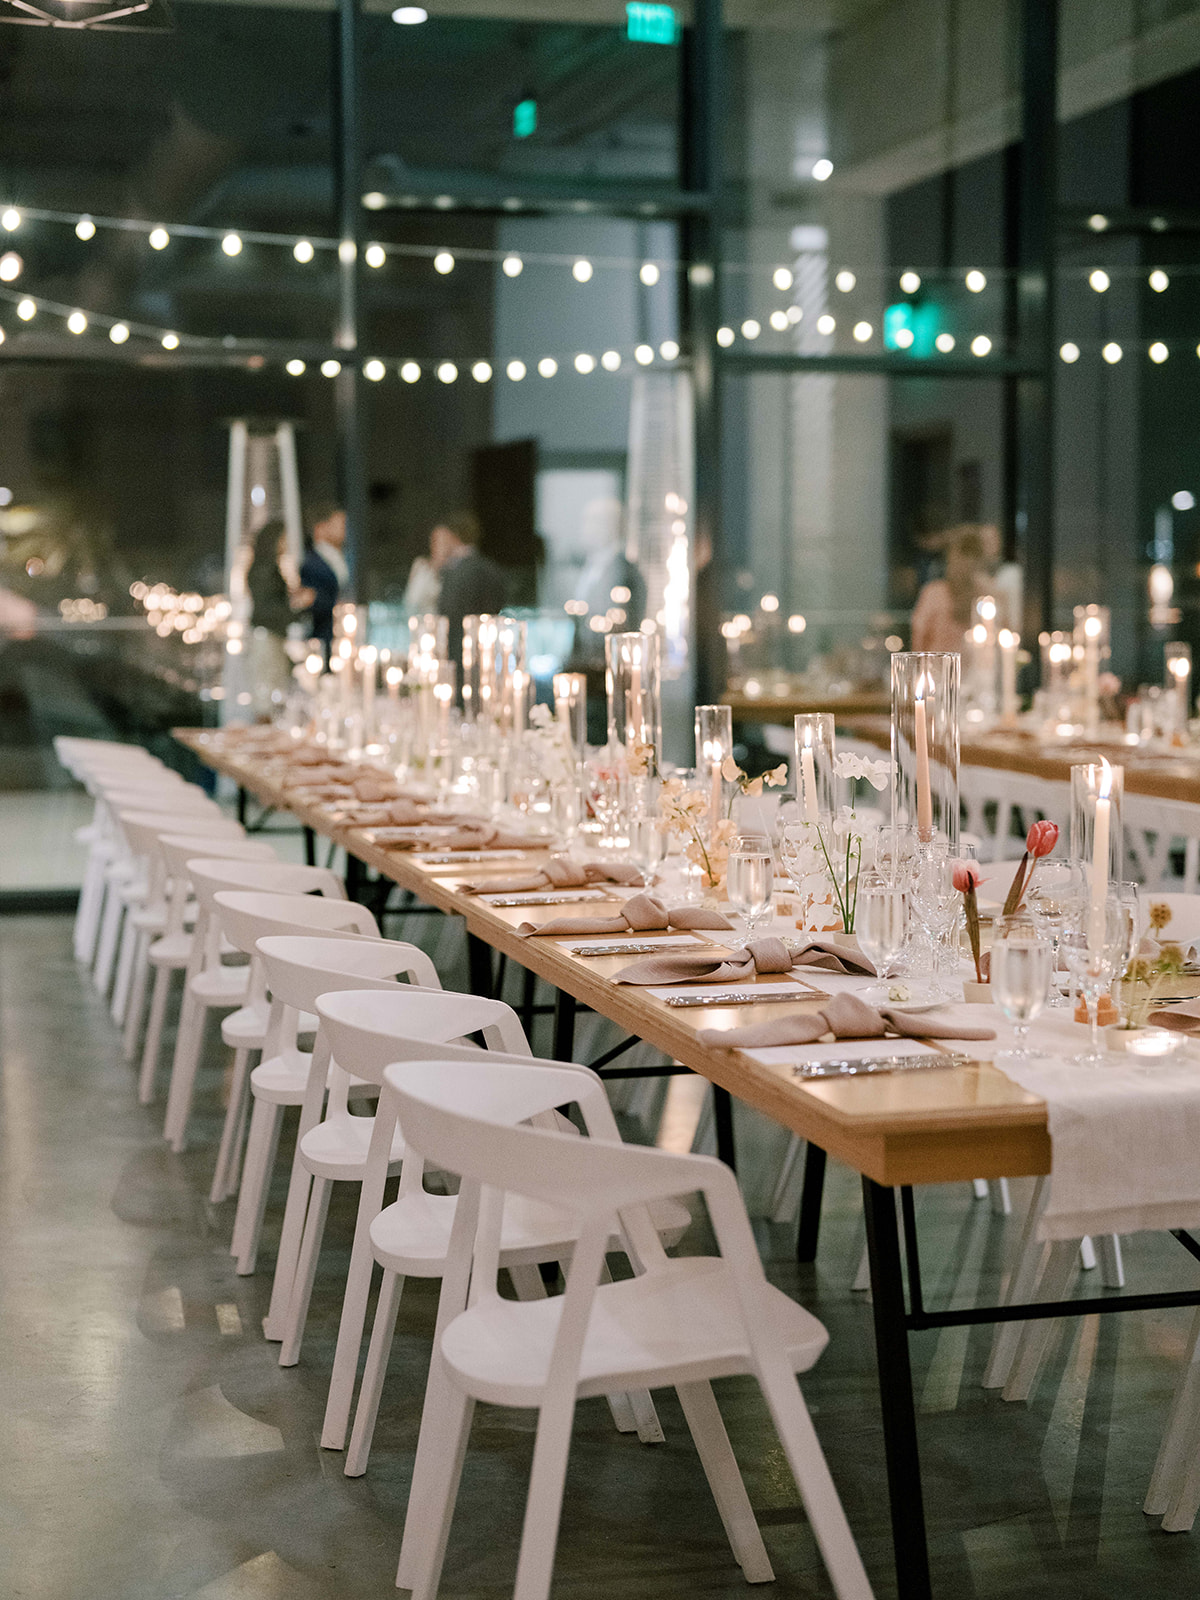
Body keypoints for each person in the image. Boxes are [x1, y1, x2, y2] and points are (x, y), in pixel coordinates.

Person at [429, 511, 507, 667]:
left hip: (457, 654)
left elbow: (447, 614)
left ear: (453, 536)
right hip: (488, 650)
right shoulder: (492, 569)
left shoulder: (453, 573)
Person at [243, 519, 298, 715]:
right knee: (267, 692)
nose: (286, 544)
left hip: (269, 634)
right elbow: (268, 607)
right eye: (283, 539)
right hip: (267, 635)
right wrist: (296, 607)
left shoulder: (264, 568)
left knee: (270, 691)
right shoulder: (265, 570)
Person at [911, 526, 991, 652]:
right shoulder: (933, 593)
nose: (968, 561)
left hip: (977, 670)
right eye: (964, 553)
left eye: (973, 554)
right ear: (950, 557)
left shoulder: (986, 595)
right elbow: (919, 643)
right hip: (937, 668)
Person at [300, 504, 349, 664]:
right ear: (322, 527)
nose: (344, 529)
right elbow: (309, 600)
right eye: (339, 524)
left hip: (339, 637)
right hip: (321, 638)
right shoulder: (311, 562)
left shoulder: (338, 558)